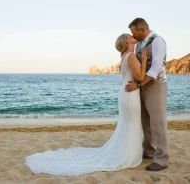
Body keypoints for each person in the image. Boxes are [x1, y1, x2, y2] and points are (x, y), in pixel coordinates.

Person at [25, 34, 148, 176]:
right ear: (126, 41)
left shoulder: (125, 56)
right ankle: (128, 155)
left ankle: (128, 152)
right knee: (131, 124)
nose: (132, 36)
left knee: (128, 125)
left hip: (126, 93)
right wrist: (144, 60)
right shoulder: (131, 56)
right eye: (128, 36)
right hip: (130, 95)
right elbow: (140, 77)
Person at [125, 18, 169, 171]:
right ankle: (149, 151)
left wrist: (138, 84)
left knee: (158, 122)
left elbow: (156, 69)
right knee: (145, 122)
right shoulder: (139, 44)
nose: (133, 36)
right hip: (142, 86)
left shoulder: (158, 42)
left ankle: (162, 159)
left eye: (134, 33)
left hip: (155, 85)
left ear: (143, 30)